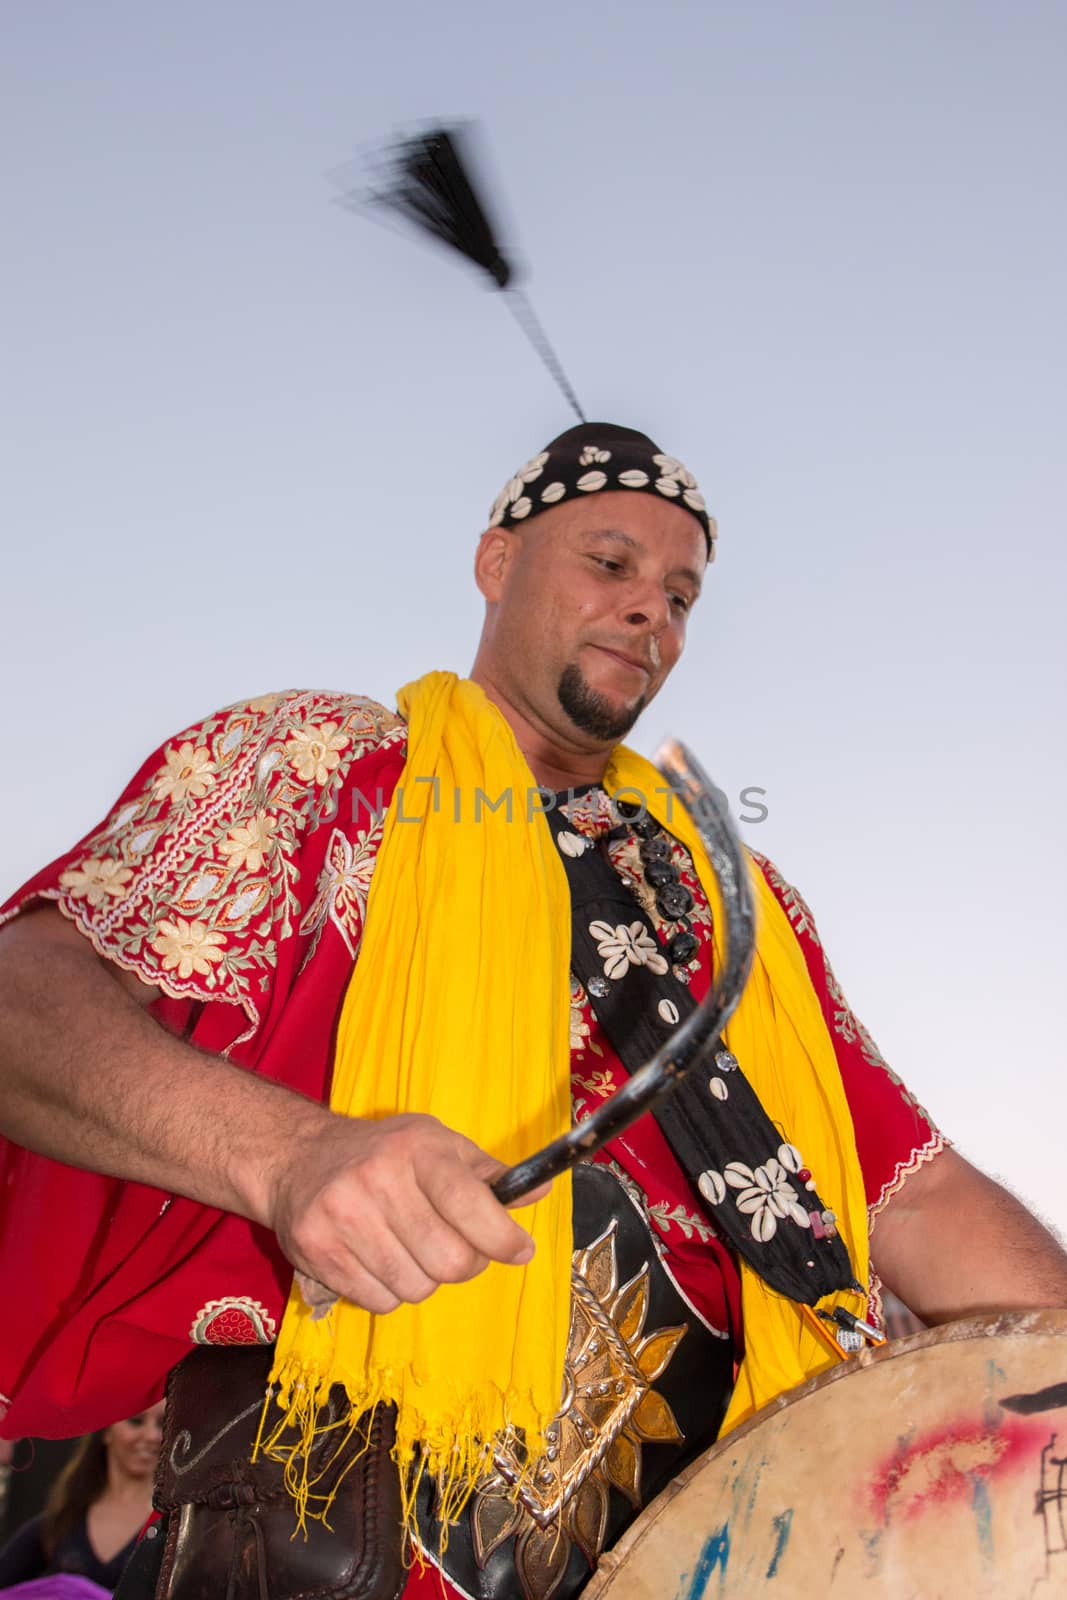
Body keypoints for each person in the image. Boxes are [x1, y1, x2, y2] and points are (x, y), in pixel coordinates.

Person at [1, 421, 1065, 1600]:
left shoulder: (735, 900)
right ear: (494, 562)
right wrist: (291, 1156)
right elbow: (23, 992)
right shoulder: (318, 766)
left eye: (679, 593)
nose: (648, 612)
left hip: (727, 1547)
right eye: (608, 564)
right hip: (342, 1541)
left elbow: (907, 1189)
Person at [0, 1407, 164, 1593]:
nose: (151, 1435)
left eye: (162, 1424)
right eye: (136, 1421)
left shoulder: (176, 1528)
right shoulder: (62, 1521)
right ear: (106, 1431)